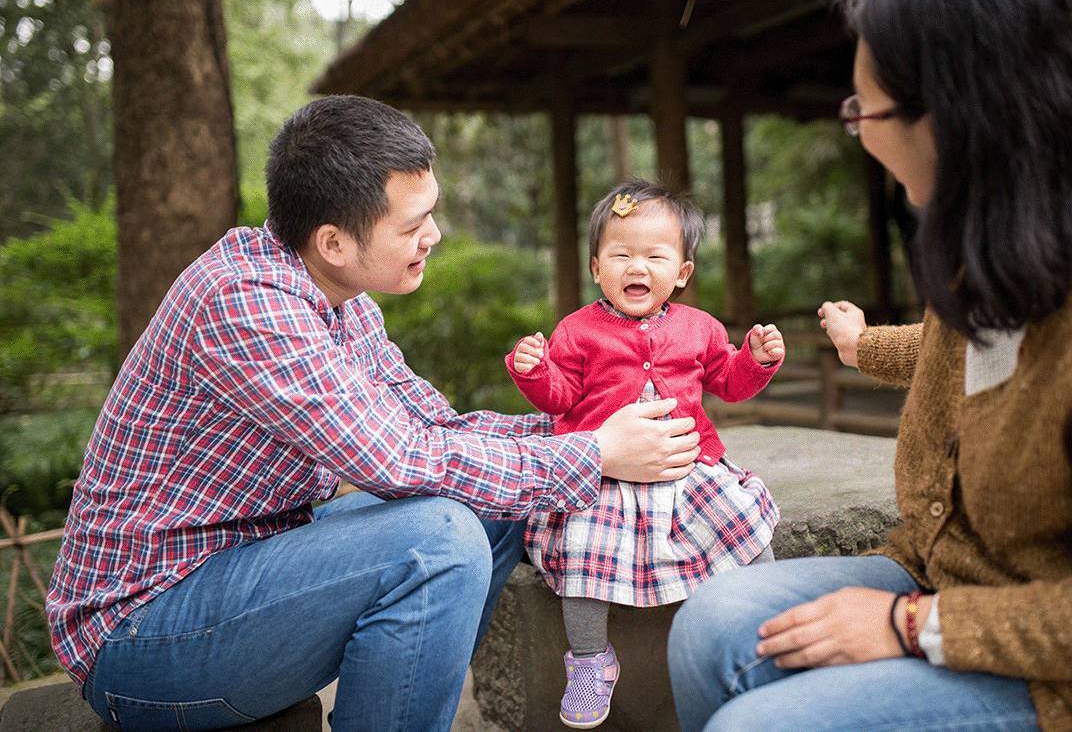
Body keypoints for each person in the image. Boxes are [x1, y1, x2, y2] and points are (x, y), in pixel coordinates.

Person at [45, 96, 704, 732]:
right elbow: (400, 460)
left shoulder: (341, 294)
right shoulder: (246, 303)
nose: (434, 234)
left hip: (248, 565)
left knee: (497, 508)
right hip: (142, 632)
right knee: (440, 539)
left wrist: (593, 427)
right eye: (412, 223)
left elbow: (433, 427)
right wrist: (593, 454)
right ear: (334, 240)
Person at [667, 0, 1072, 730]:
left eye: (863, 110)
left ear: (951, 118)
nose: (858, 129)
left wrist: (907, 626)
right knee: (710, 623)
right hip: (940, 570)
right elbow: (971, 351)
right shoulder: (996, 238)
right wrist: (862, 346)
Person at [506, 180, 785, 729]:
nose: (638, 266)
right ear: (596, 268)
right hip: (604, 475)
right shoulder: (577, 331)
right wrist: (534, 370)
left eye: (655, 255)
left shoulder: (699, 327)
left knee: (742, 522)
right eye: (621, 254)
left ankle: (767, 624)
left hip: (686, 466)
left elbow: (727, 383)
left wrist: (754, 361)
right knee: (583, 549)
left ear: (681, 272)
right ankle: (589, 660)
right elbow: (560, 397)